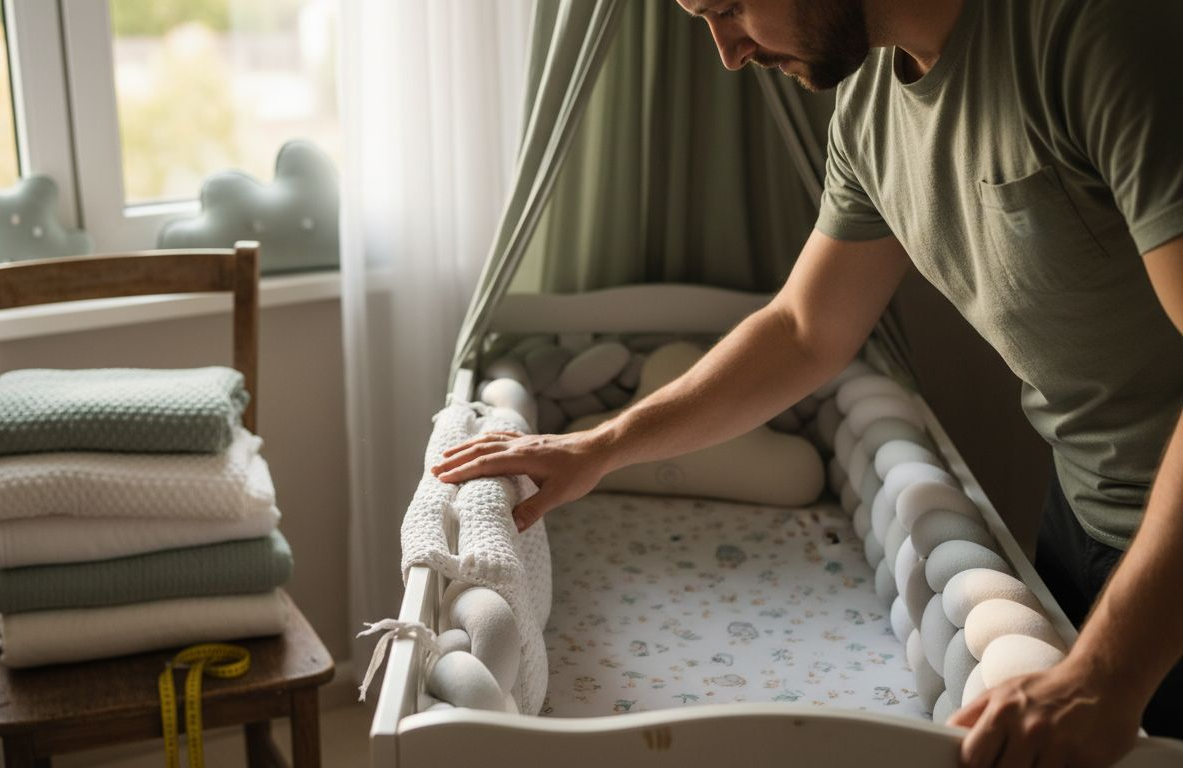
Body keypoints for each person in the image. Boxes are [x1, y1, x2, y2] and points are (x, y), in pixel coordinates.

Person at [431, 1, 1183, 766]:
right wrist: (601, 446)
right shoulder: (868, 107)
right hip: (1087, 518)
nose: (726, 52)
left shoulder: (1098, 33)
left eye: (728, 7)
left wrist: (1106, 672)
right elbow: (803, 332)